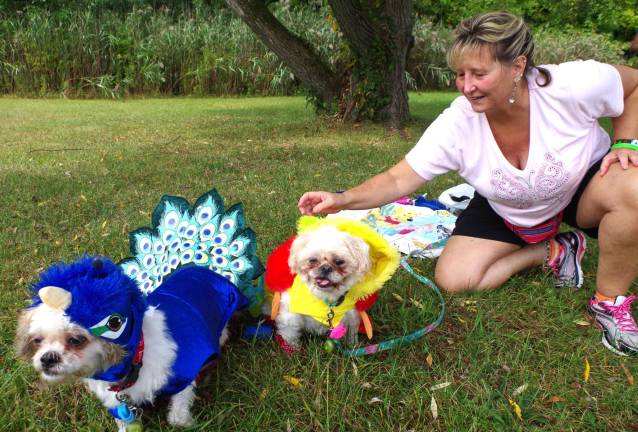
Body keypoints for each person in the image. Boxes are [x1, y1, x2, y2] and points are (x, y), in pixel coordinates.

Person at [297, 11, 638, 356]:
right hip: (508, 203)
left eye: (479, 73)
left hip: (583, 185)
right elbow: (399, 177)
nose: (466, 86)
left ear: (518, 67)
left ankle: (609, 301)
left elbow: (634, 85)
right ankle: (553, 251)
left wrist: (625, 141)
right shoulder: (458, 122)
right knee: (456, 279)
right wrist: (342, 198)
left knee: (634, 187)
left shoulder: (571, 84)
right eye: (460, 74)